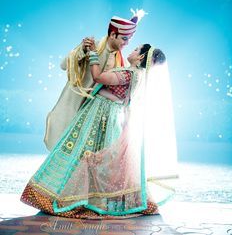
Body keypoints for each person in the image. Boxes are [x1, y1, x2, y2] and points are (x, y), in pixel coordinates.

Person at [21, 44, 178, 219]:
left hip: (101, 115)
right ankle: (96, 199)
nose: (132, 51)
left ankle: (79, 200)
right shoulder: (138, 75)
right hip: (109, 114)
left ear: (141, 57)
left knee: (85, 154)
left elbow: (98, 77)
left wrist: (94, 54)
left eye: (136, 49)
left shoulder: (129, 74)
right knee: (97, 156)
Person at [44, 9, 147, 151]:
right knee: (63, 147)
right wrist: (82, 51)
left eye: (129, 39)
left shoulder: (120, 60)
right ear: (112, 34)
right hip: (75, 103)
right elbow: (63, 65)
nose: (128, 43)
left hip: (94, 116)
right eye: (124, 38)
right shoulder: (93, 46)